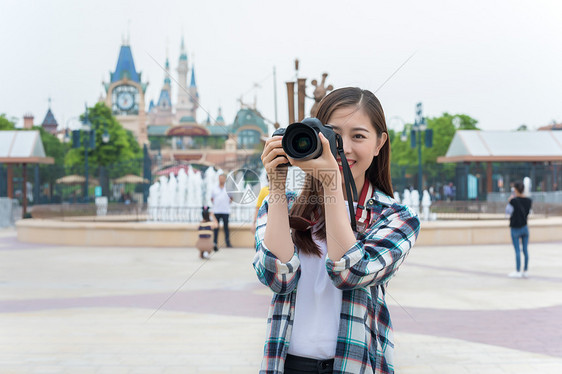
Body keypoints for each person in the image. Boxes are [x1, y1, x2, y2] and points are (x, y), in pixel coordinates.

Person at [254, 87, 421, 373]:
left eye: (358, 136)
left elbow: (350, 273)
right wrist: (278, 184)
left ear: (380, 143)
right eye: (334, 136)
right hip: (286, 364)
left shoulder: (397, 216)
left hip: (354, 364)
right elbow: (276, 278)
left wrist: (331, 183)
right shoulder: (281, 204)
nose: (343, 148)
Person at [507, 181, 532, 278]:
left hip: (515, 228)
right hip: (525, 228)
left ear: (516, 190)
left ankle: (518, 271)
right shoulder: (529, 200)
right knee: (525, 250)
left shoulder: (514, 200)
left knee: (517, 250)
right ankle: (525, 270)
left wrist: (512, 197)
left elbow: (509, 205)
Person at [211, 174, 232, 249]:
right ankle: (215, 243)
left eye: (223, 178)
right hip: (216, 211)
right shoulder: (214, 188)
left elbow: (231, 198)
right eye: (220, 178)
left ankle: (228, 243)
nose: (221, 180)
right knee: (216, 228)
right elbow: (212, 199)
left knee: (226, 228)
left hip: (225, 211)